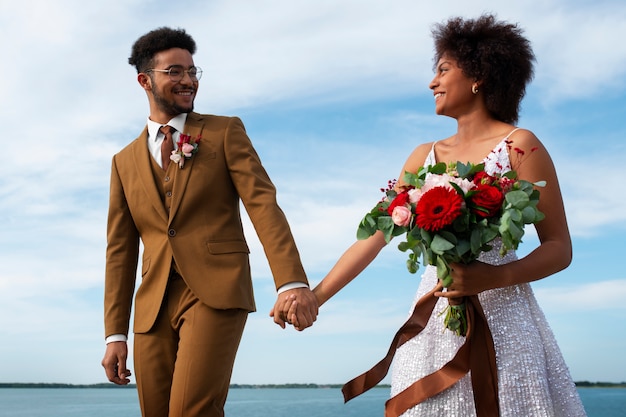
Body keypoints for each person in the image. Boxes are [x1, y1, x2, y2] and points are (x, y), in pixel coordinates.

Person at [274, 15, 586, 416]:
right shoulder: (423, 156)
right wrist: (315, 296)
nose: (431, 82)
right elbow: (374, 237)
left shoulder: (520, 145)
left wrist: (496, 276)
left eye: (442, 69)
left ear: (479, 76)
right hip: (432, 321)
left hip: (507, 321)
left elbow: (559, 248)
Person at [101, 27, 318, 417]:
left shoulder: (223, 131)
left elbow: (263, 205)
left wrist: (292, 282)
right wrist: (115, 333)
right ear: (144, 80)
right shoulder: (123, 162)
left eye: (192, 70)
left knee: (191, 410)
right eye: (174, 72)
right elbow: (120, 252)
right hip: (151, 307)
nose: (188, 80)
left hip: (215, 289)